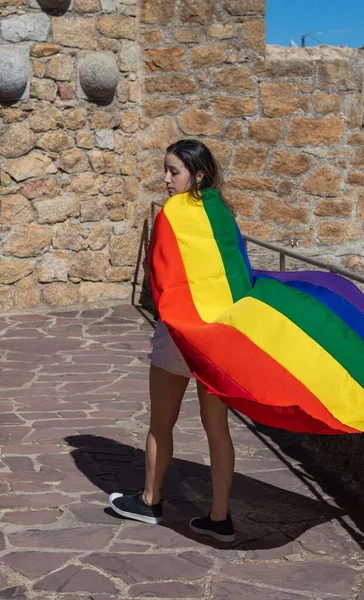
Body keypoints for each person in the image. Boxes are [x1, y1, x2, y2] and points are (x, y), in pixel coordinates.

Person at [109, 140, 237, 543]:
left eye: (173, 172)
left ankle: (150, 501)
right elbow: (234, 274)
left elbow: (159, 275)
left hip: (180, 335)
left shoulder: (172, 215)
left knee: (160, 424)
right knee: (218, 430)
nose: (165, 179)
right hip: (218, 336)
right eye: (165, 170)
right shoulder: (223, 215)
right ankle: (220, 519)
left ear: (197, 175)